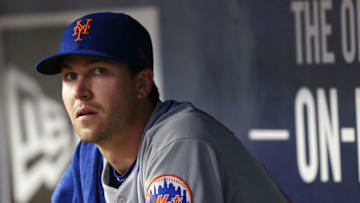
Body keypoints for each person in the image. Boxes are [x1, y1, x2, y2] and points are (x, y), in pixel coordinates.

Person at [35, 12, 290, 203]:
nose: (79, 91)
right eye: (70, 76)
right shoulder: (89, 156)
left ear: (142, 84)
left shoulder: (178, 142)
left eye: (98, 71)